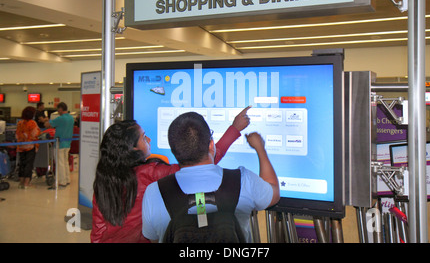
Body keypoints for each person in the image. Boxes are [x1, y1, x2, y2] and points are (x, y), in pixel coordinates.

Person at [90, 106, 251, 243]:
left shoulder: (104, 180)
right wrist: (234, 129)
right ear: (133, 148)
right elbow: (201, 162)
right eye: (143, 137)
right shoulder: (150, 173)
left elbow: (97, 232)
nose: (149, 139)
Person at [142, 112, 280, 243]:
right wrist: (260, 148)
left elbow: (154, 238)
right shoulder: (243, 180)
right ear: (211, 145)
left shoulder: (154, 192)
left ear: (174, 151)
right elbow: (273, 193)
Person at [44, 102, 74, 188]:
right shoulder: (71, 118)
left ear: (61, 109)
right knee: (65, 162)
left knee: (59, 163)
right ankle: (67, 179)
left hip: (59, 144)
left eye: (58, 109)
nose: (58, 111)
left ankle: (61, 181)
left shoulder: (61, 118)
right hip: (68, 143)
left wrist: (46, 120)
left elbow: (47, 125)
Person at [16, 106, 41, 189]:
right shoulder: (32, 123)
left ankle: (21, 183)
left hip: (21, 147)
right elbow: (35, 134)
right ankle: (27, 183)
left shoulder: (20, 123)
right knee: (29, 164)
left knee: (22, 164)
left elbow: (17, 135)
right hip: (30, 146)